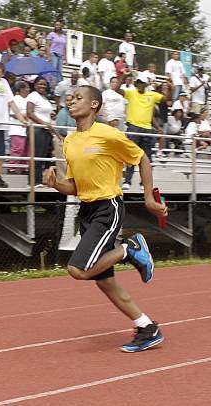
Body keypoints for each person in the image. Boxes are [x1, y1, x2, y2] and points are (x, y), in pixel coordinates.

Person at [43, 85, 167, 352]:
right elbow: (76, 186)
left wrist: (148, 198)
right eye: (70, 98)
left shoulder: (108, 134)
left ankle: (130, 249)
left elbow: (142, 158)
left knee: (78, 269)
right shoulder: (70, 141)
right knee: (104, 281)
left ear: (94, 105)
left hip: (107, 208)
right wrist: (56, 184)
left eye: (78, 98)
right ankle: (147, 327)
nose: (71, 101)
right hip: (86, 210)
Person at [118, 78, 170, 189]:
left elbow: (166, 100)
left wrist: (169, 88)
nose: (140, 85)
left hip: (147, 129)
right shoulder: (131, 92)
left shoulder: (152, 94)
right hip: (133, 127)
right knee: (131, 155)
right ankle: (127, 181)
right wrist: (123, 76)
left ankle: (144, 183)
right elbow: (117, 89)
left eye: (142, 83)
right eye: (138, 83)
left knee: (147, 157)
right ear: (136, 84)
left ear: (145, 84)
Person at [27, 76, 60, 186]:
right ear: (35, 85)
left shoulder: (44, 98)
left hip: (46, 130)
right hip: (37, 129)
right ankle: (33, 182)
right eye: (40, 84)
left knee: (44, 156)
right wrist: (43, 123)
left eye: (44, 84)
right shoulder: (32, 96)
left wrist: (51, 116)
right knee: (36, 155)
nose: (42, 86)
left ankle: (40, 179)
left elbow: (44, 112)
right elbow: (30, 113)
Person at [46, 21, 67, 85]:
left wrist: (65, 58)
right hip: (53, 54)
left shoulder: (64, 36)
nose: (57, 26)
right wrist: (48, 56)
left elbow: (64, 47)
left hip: (60, 55)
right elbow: (48, 45)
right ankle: (52, 86)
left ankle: (59, 86)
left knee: (59, 72)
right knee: (53, 71)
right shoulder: (52, 34)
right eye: (56, 25)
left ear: (61, 26)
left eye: (59, 25)